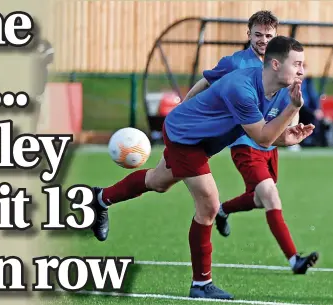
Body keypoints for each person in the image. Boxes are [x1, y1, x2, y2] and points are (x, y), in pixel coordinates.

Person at [88, 36, 315, 299]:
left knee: (158, 182)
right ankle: (200, 284)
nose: (301, 70)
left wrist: (290, 137)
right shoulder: (242, 87)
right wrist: (294, 108)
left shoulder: (278, 91)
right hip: (185, 135)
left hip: (203, 140)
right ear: (275, 64)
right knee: (208, 205)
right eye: (297, 64)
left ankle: (100, 199)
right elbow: (262, 137)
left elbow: (272, 137)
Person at [183, 11, 320, 275]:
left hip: (271, 142)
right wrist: (184, 108)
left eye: (269, 36)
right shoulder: (236, 63)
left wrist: (293, 129)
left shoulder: (283, 62)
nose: (263, 40)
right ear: (248, 34)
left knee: (258, 199)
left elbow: (293, 97)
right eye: (258, 35)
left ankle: (223, 210)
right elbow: (206, 81)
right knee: (270, 195)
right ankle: (294, 260)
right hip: (246, 140)